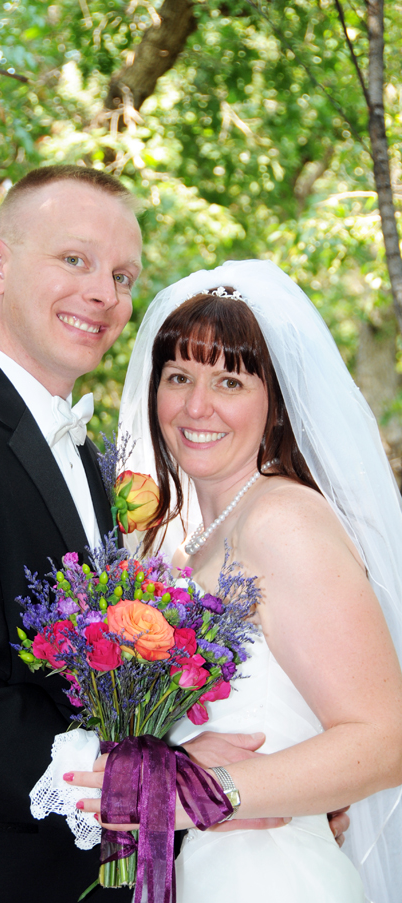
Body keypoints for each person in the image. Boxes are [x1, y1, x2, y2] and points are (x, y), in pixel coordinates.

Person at [0, 170, 348, 902]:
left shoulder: (82, 457)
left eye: (122, 274)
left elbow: (99, 688)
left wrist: (286, 776)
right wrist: (156, 788)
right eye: (74, 260)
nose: (105, 294)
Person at [74, 260, 402, 902]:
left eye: (229, 380)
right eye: (178, 377)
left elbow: (386, 737)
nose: (197, 406)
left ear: (274, 402)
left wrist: (205, 795)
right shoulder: (189, 537)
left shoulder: (283, 520)